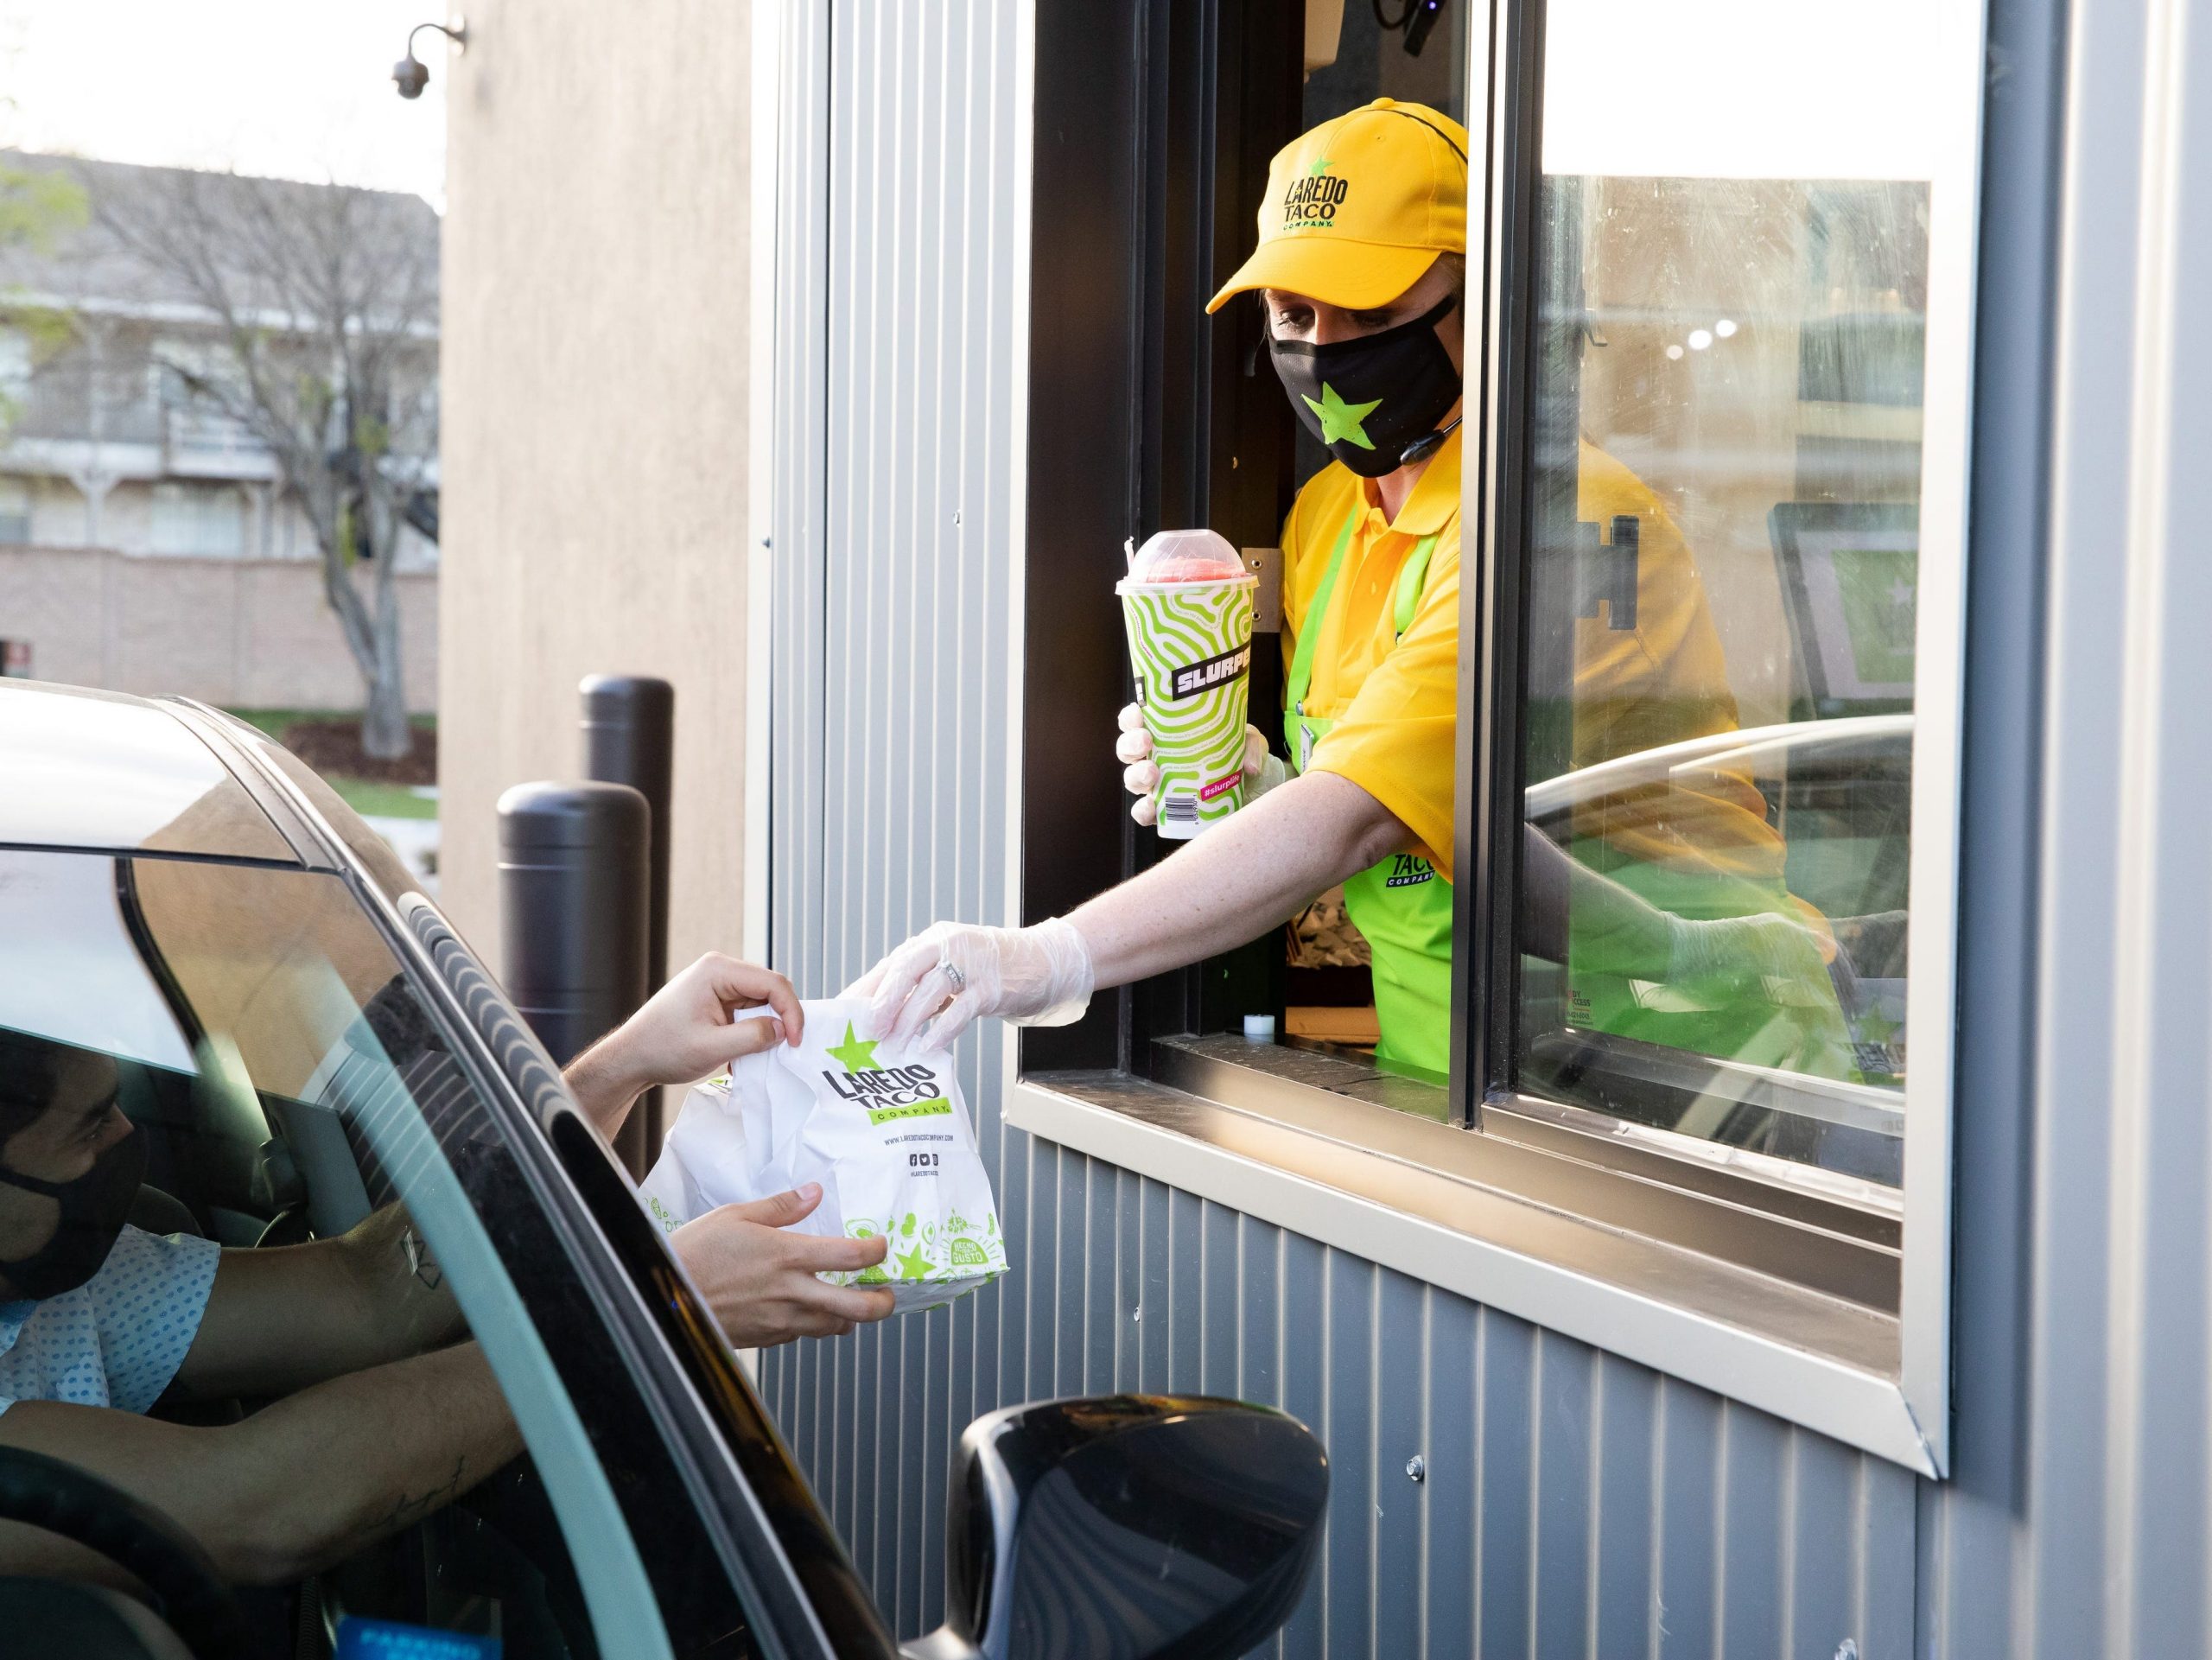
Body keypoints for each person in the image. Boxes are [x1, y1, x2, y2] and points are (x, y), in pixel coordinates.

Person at [857, 98, 1847, 1085]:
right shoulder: (1327, 515)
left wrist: (1047, 959)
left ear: (1487, 302)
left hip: (1695, 1075)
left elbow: (1364, 816)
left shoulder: (1558, 523)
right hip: (1464, 1084)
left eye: (1370, 312)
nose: (1326, 349)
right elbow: (1404, 818)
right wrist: (1263, 789)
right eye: (1293, 313)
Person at [0, 953, 887, 1587]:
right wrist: (636, 1316)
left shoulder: (66, 1286)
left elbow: (372, 1288)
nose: (130, 1145)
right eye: (87, 1129)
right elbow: (255, 1506)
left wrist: (620, 1068)